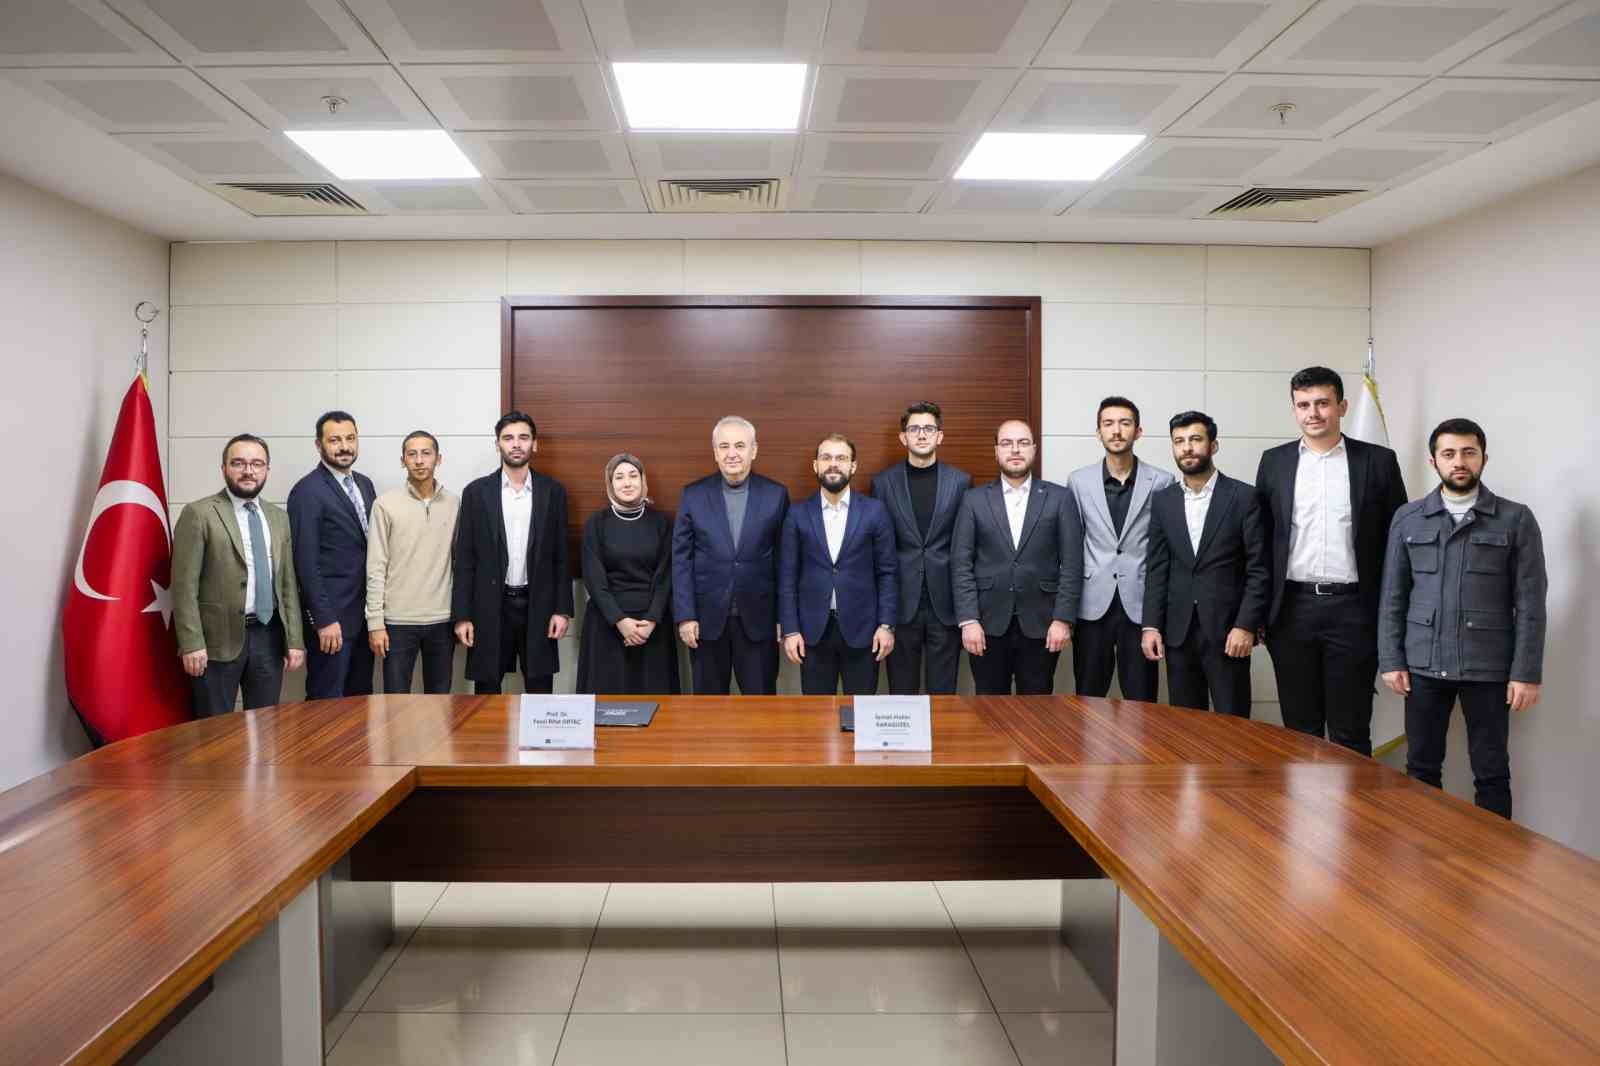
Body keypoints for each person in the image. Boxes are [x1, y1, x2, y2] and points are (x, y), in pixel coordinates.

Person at [1379, 419, 1546, 819]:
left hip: (1487, 667)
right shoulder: (1408, 518)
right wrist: (1391, 660)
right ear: (1433, 461)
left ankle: (1495, 853)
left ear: (1484, 458)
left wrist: (1526, 673)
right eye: (1449, 453)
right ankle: (1424, 849)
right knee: (1421, 768)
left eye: (1469, 453)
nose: (1459, 462)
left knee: (1491, 772)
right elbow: (1392, 596)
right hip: (1422, 665)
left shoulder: (1515, 519)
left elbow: (1530, 603)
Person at [1255, 366, 1407, 755]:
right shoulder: (1274, 463)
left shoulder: (1378, 461)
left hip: (1354, 611)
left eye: (1322, 403)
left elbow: (1398, 541)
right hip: (1291, 611)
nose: (1313, 413)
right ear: (1294, 409)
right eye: (1304, 404)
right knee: (1298, 732)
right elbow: (1262, 543)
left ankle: (1353, 799)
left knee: (1350, 732)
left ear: (1342, 406)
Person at [1141, 412, 1268, 717]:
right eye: (1179, 441)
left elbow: (1259, 569)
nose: (1187, 448)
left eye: (1195, 439)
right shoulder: (1163, 501)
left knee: (1233, 723)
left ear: (1213, 445)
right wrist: (1151, 626)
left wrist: (1245, 625)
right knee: (1185, 726)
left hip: (1228, 632)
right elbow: (1157, 568)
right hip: (1178, 632)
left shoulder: (1244, 497)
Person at [171, 434, 305, 715]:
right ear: (224, 468)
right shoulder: (199, 514)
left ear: (267, 469)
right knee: (214, 730)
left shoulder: (278, 518)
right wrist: (191, 643)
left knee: (265, 727)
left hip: (268, 637)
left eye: (257, 464)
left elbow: (287, 584)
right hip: (215, 643)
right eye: (238, 463)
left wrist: (294, 640)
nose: (248, 471)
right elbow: (184, 587)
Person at [951, 419, 1084, 695]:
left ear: (1034, 449)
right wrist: (968, 620)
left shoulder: (1060, 498)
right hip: (986, 624)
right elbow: (961, 563)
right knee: (989, 707)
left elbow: (1072, 564)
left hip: (1042, 623)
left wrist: (1063, 619)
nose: (1015, 449)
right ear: (996, 451)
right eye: (1006, 443)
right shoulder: (973, 500)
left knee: (1036, 708)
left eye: (1023, 443)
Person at [452, 412, 573, 695]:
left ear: (535, 444)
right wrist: (462, 615)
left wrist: (562, 610)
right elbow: (465, 558)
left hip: (538, 603)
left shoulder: (553, 491)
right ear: (498, 445)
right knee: (487, 688)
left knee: (540, 688)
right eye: (508, 438)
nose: (516, 444)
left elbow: (561, 556)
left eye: (523, 437)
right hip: (489, 604)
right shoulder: (476, 492)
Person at [671, 416, 790, 695]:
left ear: (754, 450)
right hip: (706, 622)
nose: (732, 453)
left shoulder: (776, 494)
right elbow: (681, 560)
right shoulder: (693, 495)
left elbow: (784, 561)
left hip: (760, 622)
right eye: (724, 446)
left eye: (740, 445)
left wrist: (783, 617)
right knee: (708, 707)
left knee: (761, 707)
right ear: (715, 452)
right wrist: (686, 616)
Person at [1067, 397, 1173, 701]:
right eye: (1108, 424)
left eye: (1125, 423)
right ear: (1098, 432)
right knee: (1088, 697)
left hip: (1140, 603)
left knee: (1142, 699)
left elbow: (1164, 550)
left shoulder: (1162, 481)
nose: (1116, 431)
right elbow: (1072, 548)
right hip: (1091, 605)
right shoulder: (1078, 481)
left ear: (1138, 431)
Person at [781, 434, 898, 695]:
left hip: (865, 631)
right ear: (816, 465)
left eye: (841, 458)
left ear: (853, 466)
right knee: (816, 714)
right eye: (826, 458)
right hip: (812, 633)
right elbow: (787, 577)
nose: (833, 464)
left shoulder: (875, 511)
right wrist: (790, 630)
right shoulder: (797, 514)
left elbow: (888, 572)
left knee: (861, 712)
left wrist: (886, 625)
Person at [868, 401, 972, 695]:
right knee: (902, 692)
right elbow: (879, 549)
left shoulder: (961, 482)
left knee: (944, 692)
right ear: (903, 437)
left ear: (940, 436)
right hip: (901, 603)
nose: (922, 434)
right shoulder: (883, 483)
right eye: (914, 429)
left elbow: (964, 545)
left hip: (946, 603)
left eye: (929, 428)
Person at [287, 410, 377, 700]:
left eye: (350, 438)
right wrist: (323, 619)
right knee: (326, 703)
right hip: (332, 621)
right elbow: (304, 562)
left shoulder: (364, 484)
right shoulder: (307, 491)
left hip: (364, 617)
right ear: (319, 445)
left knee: (360, 699)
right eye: (335, 440)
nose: (344, 447)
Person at [576, 453, 679, 695]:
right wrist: (620, 621)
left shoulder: (661, 523)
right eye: (619, 477)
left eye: (633, 476)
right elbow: (594, 579)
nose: (627, 482)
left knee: (657, 705)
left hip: (651, 627)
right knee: (607, 706)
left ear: (643, 481)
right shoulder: (596, 523)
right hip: (607, 625)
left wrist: (651, 620)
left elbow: (666, 576)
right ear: (610, 484)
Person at [366, 431, 459, 695]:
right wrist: (375, 622)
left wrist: (462, 615)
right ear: (403, 460)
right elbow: (375, 566)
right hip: (397, 621)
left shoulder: (454, 503)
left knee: (440, 702)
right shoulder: (384, 505)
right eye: (412, 454)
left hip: (443, 619)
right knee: (395, 703)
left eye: (426, 453)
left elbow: (460, 563)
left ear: (438, 459)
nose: (419, 460)